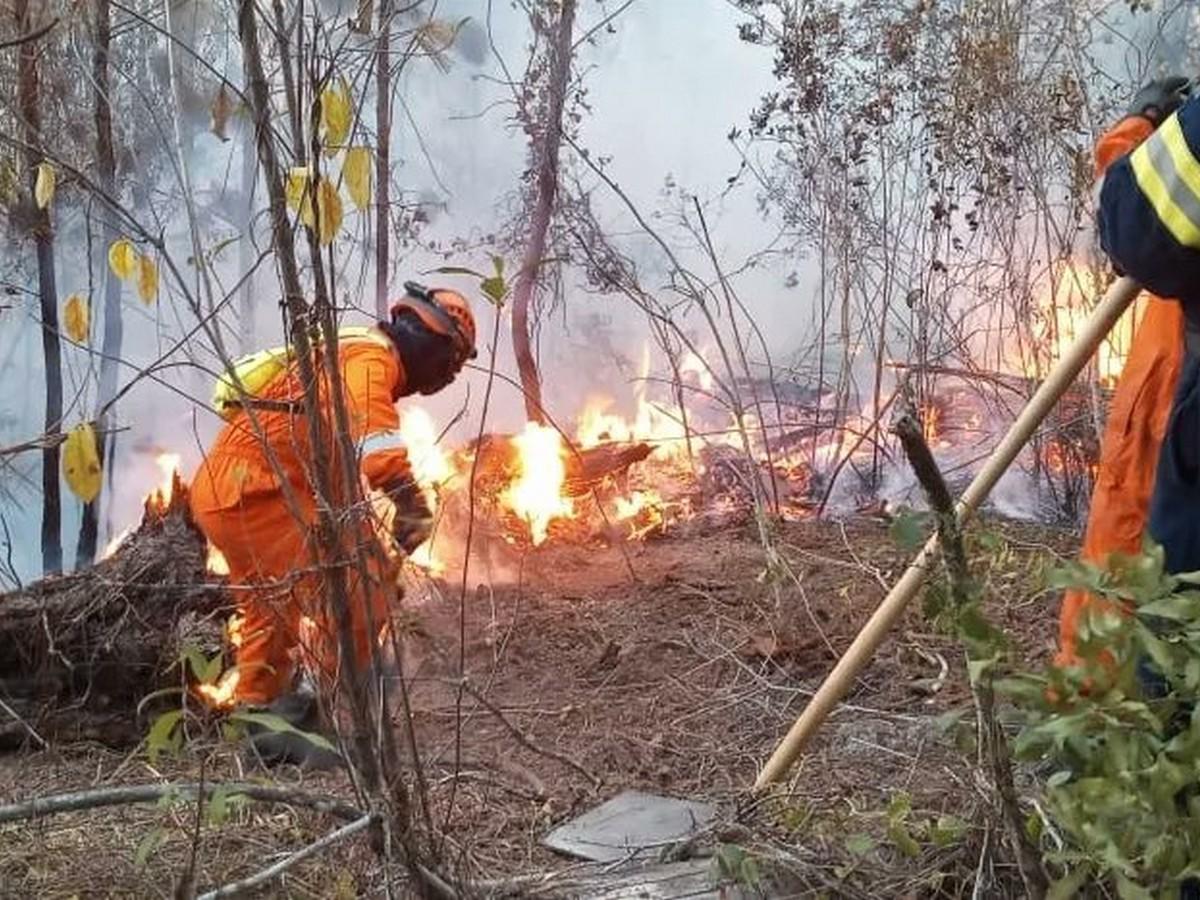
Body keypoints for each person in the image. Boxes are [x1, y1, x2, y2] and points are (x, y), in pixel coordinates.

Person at [189, 282, 476, 765]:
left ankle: (285, 723)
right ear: (433, 342)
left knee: (309, 599)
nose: (449, 376)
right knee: (328, 597)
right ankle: (312, 729)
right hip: (257, 491)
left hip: (249, 491)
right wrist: (408, 500)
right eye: (453, 361)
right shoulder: (371, 358)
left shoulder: (346, 350)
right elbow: (374, 434)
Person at [1056, 78, 1187, 665]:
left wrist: (1137, 130)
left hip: (1182, 365)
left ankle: (1104, 719)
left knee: (1141, 553)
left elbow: (1132, 225)